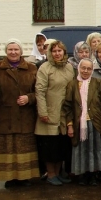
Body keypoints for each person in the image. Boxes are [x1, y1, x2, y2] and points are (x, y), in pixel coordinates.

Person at [0, 39, 39, 188]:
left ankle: (25, 177)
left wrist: (29, 98)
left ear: (21, 51)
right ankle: (9, 178)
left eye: (16, 49)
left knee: (24, 146)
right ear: (6, 52)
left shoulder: (31, 68)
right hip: (5, 115)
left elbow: (38, 91)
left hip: (25, 115)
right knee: (8, 146)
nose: (13, 52)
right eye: (10, 50)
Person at [64, 59, 101, 186]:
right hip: (79, 124)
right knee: (82, 150)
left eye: (89, 69)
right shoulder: (72, 85)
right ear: (79, 69)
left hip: (95, 122)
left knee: (96, 149)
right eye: (83, 68)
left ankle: (94, 174)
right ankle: (83, 175)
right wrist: (69, 125)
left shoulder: (98, 83)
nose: (85, 71)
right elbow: (67, 107)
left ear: (92, 70)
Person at [34, 40, 75, 186]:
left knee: (61, 146)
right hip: (50, 111)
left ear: (64, 52)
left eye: (60, 50)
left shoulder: (69, 67)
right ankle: (51, 174)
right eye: (54, 51)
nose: (57, 53)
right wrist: (43, 111)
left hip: (65, 112)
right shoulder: (45, 68)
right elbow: (39, 91)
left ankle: (58, 173)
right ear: (50, 53)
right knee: (50, 147)